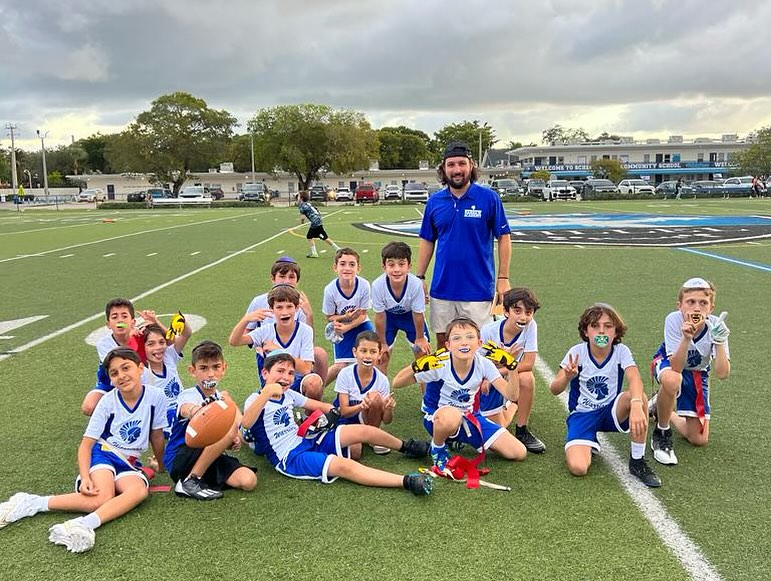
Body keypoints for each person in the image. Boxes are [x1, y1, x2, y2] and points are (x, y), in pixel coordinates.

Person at [0, 348, 167, 552]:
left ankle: (80, 524)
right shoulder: (107, 402)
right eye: (114, 373)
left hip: (129, 462)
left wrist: (161, 464)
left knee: (139, 491)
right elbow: (86, 445)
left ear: (140, 368)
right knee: (102, 497)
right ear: (110, 380)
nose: (121, 376)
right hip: (103, 453)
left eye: (126, 368)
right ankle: (33, 502)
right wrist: (85, 476)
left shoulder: (156, 396)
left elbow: (156, 435)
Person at [241, 350, 433, 496]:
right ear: (265, 373)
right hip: (289, 456)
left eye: (290, 373)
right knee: (343, 466)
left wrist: (335, 414)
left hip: (305, 437)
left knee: (360, 431)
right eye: (280, 371)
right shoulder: (255, 398)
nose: (285, 377)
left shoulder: (289, 394)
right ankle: (406, 481)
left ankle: (407, 446)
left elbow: (322, 406)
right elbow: (247, 423)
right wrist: (266, 393)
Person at [392, 318, 527, 474]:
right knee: (452, 416)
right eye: (457, 338)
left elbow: (512, 394)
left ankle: (456, 439)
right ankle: (437, 447)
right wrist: (416, 366)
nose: (464, 342)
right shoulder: (440, 364)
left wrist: (512, 367)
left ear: (479, 343)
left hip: (469, 417)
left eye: (470, 337)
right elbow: (397, 382)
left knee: (518, 452)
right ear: (448, 345)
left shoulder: (484, 363)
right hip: (438, 418)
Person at [549, 304, 661, 487]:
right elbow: (554, 389)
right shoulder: (577, 352)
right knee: (578, 468)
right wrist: (567, 377)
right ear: (586, 331)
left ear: (616, 332)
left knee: (638, 396)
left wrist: (636, 405)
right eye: (595, 326)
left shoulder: (621, 351)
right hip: (582, 415)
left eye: (608, 326)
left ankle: (637, 461)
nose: (601, 331)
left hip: (611, 412)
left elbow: (635, 379)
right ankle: (588, 438)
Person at [415, 141, 512, 348]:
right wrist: (420, 277)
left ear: (471, 165)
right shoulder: (435, 202)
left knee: (479, 345)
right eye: (451, 165)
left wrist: (503, 277)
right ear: (443, 169)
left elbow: (503, 237)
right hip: (442, 288)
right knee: (444, 344)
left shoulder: (489, 198)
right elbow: (427, 240)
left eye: (461, 164)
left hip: (477, 289)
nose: (457, 170)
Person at [649, 278, 730, 466]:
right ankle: (662, 431)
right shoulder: (673, 319)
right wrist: (686, 338)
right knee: (672, 380)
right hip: (670, 364)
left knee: (699, 439)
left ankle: (662, 409)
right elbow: (676, 366)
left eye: (703, 303)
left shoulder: (716, 325)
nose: (696, 308)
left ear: (711, 308)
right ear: (680, 306)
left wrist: (718, 342)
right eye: (690, 302)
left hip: (697, 372)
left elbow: (722, 373)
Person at [164, 341, 257, 500]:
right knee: (224, 426)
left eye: (216, 367)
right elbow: (187, 408)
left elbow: (242, 430)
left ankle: (199, 480)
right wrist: (198, 411)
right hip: (181, 457)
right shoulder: (189, 395)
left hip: (209, 457)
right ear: (192, 371)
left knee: (248, 481)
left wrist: (234, 440)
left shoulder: (223, 398)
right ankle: (189, 482)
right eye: (203, 368)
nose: (210, 374)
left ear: (224, 368)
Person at [478, 287, 546, 453]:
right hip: (489, 377)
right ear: (506, 312)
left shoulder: (531, 326)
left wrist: (504, 367)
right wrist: (496, 367)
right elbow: (477, 364)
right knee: (497, 427)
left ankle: (522, 430)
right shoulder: (488, 331)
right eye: (517, 311)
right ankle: (513, 404)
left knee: (527, 378)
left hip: (506, 375)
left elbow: (528, 363)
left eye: (528, 312)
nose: (523, 317)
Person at [243, 255, 328, 384]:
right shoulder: (259, 301)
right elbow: (247, 331)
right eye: (282, 276)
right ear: (273, 278)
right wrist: (259, 345)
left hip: (295, 354)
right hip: (270, 354)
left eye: (292, 277)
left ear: (297, 281)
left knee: (319, 353)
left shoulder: (300, 302)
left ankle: (315, 391)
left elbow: (308, 339)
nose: (286, 281)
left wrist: (309, 315)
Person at [229, 285, 324, 401]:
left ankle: (309, 418)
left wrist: (278, 350)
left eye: (289, 307)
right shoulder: (266, 330)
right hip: (272, 383)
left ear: (297, 308)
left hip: (296, 381)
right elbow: (234, 341)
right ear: (271, 309)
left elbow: (306, 369)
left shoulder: (305, 330)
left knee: (313, 382)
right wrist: (246, 320)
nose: (285, 312)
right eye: (279, 307)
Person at [81, 298, 153, 416]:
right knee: (89, 407)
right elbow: (119, 363)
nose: (120, 320)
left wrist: (155, 323)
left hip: (138, 383)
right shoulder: (103, 344)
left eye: (124, 316)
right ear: (108, 324)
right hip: (110, 385)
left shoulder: (142, 338)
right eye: (114, 317)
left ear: (133, 322)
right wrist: (132, 341)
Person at [372, 241, 431, 375]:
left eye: (401, 264)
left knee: (423, 357)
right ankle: (381, 394)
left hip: (410, 317)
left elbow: (418, 314)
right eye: (391, 264)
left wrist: (420, 338)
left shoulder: (416, 284)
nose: (396, 269)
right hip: (389, 318)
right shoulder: (378, 285)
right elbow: (380, 316)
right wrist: (383, 343)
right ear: (384, 267)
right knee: (381, 357)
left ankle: (427, 396)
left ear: (409, 266)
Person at [333, 331, 395, 456]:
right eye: (363, 351)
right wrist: (361, 406)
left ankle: (374, 438)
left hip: (367, 419)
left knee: (375, 397)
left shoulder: (382, 380)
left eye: (373, 352)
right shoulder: (345, 374)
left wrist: (388, 409)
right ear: (355, 352)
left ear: (379, 354)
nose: (368, 356)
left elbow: (387, 420)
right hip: (345, 421)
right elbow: (344, 412)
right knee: (355, 452)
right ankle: (360, 437)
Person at [322, 247, 375, 385]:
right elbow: (329, 317)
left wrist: (349, 325)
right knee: (340, 366)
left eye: (352, 264)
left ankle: (369, 390)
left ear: (358, 268)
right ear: (335, 267)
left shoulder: (363, 285)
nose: (347, 268)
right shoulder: (330, 290)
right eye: (343, 264)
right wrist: (344, 318)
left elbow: (363, 314)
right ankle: (317, 389)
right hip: (341, 326)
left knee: (370, 358)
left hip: (360, 324)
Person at [140, 316, 192, 438]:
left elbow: (186, 333)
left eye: (161, 342)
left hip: (185, 403)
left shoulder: (169, 355)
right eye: (151, 344)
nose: (158, 347)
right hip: (166, 416)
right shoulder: (141, 371)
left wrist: (156, 322)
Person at [297, 190, 341, 258]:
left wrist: (302, 222)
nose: (297, 197)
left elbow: (302, 217)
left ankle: (315, 253)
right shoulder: (308, 203)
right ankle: (337, 249)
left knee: (310, 237)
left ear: (301, 198)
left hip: (315, 222)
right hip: (318, 220)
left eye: (299, 196)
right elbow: (317, 210)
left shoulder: (302, 206)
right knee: (322, 237)